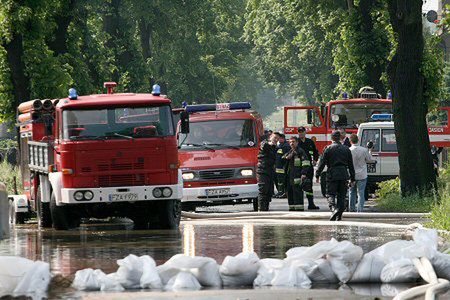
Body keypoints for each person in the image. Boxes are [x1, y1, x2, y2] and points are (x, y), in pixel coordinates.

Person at [316, 130, 355, 221]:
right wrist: (352, 178)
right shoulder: (346, 149)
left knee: (330, 194)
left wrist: (317, 174)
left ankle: (334, 209)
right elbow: (351, 165)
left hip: (332, 173)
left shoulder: (328, 148)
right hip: (343, 173)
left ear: (331, 138)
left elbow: (322, 163)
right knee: (341, 195)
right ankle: (339, 216)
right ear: (340, 138)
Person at [348, 133, 376, 212]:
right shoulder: (364, 150)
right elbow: (370, 160)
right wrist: (370, 150)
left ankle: (351, 209)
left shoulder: (348, 150)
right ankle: (359, 210)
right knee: (361, 193)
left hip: (352, 175)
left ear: (350, 141)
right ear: (358, 140)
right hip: (362, 175)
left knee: (351, 192)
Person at [283, 136, 311, 211]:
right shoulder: (290, 151)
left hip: (297, 176)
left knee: (297, 192)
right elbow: (283, 158)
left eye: (293, 142)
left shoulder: (300, 151)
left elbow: (306, 163)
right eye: (290, 142)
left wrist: (303, 173)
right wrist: (286, 157)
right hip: (289, 176)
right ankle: (291, 208)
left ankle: (299, 208)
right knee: (290, 192)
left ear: (297, 143)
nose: (291, 143)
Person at [297, 126, 320, 210]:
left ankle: (311, 204)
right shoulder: (296, 142)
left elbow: (315, 152)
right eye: (299, 132)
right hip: (299, 167)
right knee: (298, 186)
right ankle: (299, 204)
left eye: (302, 131)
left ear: (305, 132)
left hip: (309, 168)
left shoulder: (310, 142)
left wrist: (315, 160)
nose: (301, 133)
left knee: (309, 185)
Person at [257, 133, 279, 211]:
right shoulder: (265, 143)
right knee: (263, 191)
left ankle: (266, 209)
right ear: (270, 137)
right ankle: (261, 210)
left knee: (269, 192)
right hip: (263, 171)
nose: (276, 139)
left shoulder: (275, 147)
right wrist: (270, 143)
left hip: (270, 171)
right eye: (275, 137)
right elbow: (264, 146)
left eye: (277, 138)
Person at [274, 133, 290, 198]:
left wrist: (284, 166)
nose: (278, 140)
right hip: (278, 167)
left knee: (283, 181)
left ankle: (283, 192)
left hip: (282, 167)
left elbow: (286, 157)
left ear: (283, 138)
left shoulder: (286, 146)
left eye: (279, 138)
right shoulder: (280, 145)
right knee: (279, 181)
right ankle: (280, 192)